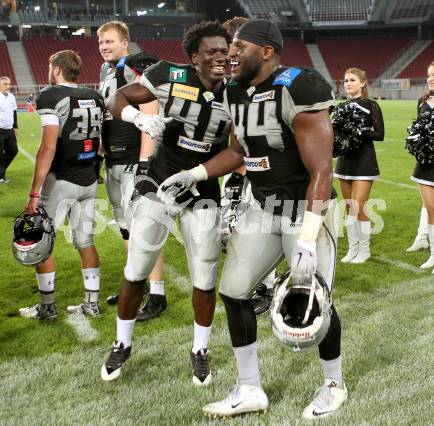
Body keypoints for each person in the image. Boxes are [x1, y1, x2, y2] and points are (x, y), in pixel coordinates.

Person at [158, 20, 347, 419]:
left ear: (266, 52)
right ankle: (249, 388)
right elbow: (239, 151)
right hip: (262, 207)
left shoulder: (299, 85)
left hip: (306, 210)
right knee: (234, 290)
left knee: (315, 299)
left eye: (238, 47)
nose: (229, 55)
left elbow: (321, 172)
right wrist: (196, 174)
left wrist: (309, 239)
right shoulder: (234, 90)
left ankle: (334, 384)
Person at [100, 21, 232, 386]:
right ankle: (122, 342)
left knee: (205, 272)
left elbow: (237, 152)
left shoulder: (237, 92)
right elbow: (116, 99)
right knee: (138, 264)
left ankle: (200, 349)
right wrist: (139, 117)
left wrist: (200, 174)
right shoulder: (169, 74)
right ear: (194, 56)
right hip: (160, 182)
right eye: (213, 51)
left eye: (225, 50)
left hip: (201, 186)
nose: (221, 56)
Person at [18, 50, 105, 320]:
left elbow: (47, 148)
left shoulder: (50, 95)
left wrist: (34, 193)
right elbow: (100, 144)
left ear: (57, 69)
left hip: (61, 181)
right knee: (86, 241)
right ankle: (91, 303)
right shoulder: (96, 96)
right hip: (89, 180)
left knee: (42, 241)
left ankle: (47, 307)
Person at [97, 21, 166, 317]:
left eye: (110, 41)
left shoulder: (136, 67)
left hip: (133, 161)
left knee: (145, 229)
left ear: (125, 42)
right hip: (114, 160)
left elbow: (150, 115)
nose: (104, 47)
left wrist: (144, 163)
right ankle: (134, 285)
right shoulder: (106, 70)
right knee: (127, 229)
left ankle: (158, 295)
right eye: (101, 43)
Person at [222, 16, 276, 316]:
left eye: (234, 46)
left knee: (253, 229)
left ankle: (266, 286)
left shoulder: (264, 84)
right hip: (238, 169)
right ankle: (259, 282)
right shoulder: (235, 84)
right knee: (228, 231)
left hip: (259, 173)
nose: (229, 54)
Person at [333, 68, 384, 264]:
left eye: (352, 80)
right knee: (348, 207)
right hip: (345, 161)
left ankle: (365, 250)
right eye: (346, 80)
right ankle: (353, 249)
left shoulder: (371, 105)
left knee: (359, 207)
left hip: (364, 160)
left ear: (363, 83)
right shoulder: (342, 106)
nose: (348, 83)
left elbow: (379, 134)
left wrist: (357, 132)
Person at [408, 59, 434, 274]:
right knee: (430, 209)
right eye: (429, 74)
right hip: (424, 164)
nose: (430, 78)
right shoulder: (422, 101)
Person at [0, 76, 18, 183]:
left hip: (9, 129)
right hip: (0, 130)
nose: (8, 86)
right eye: (5, 84)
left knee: (13, 150)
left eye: (9, 84)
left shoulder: (12, 97)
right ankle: (1, 176)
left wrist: (16, 127)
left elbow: (14, 112)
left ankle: (1, 171)